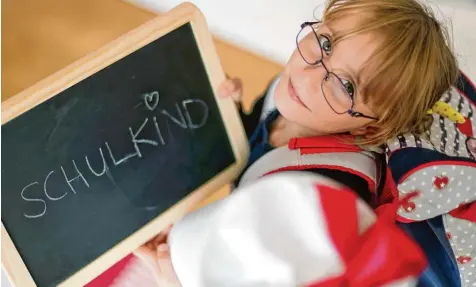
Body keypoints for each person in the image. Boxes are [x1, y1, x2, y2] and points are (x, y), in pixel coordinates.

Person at [136, 0, 476, 286]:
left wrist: (173, 280)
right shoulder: (289, 95)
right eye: (326, 43)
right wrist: (226, 116)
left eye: (346, 86)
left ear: (372, 129)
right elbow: (255, 145)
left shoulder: (321, 201)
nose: (310, 74)